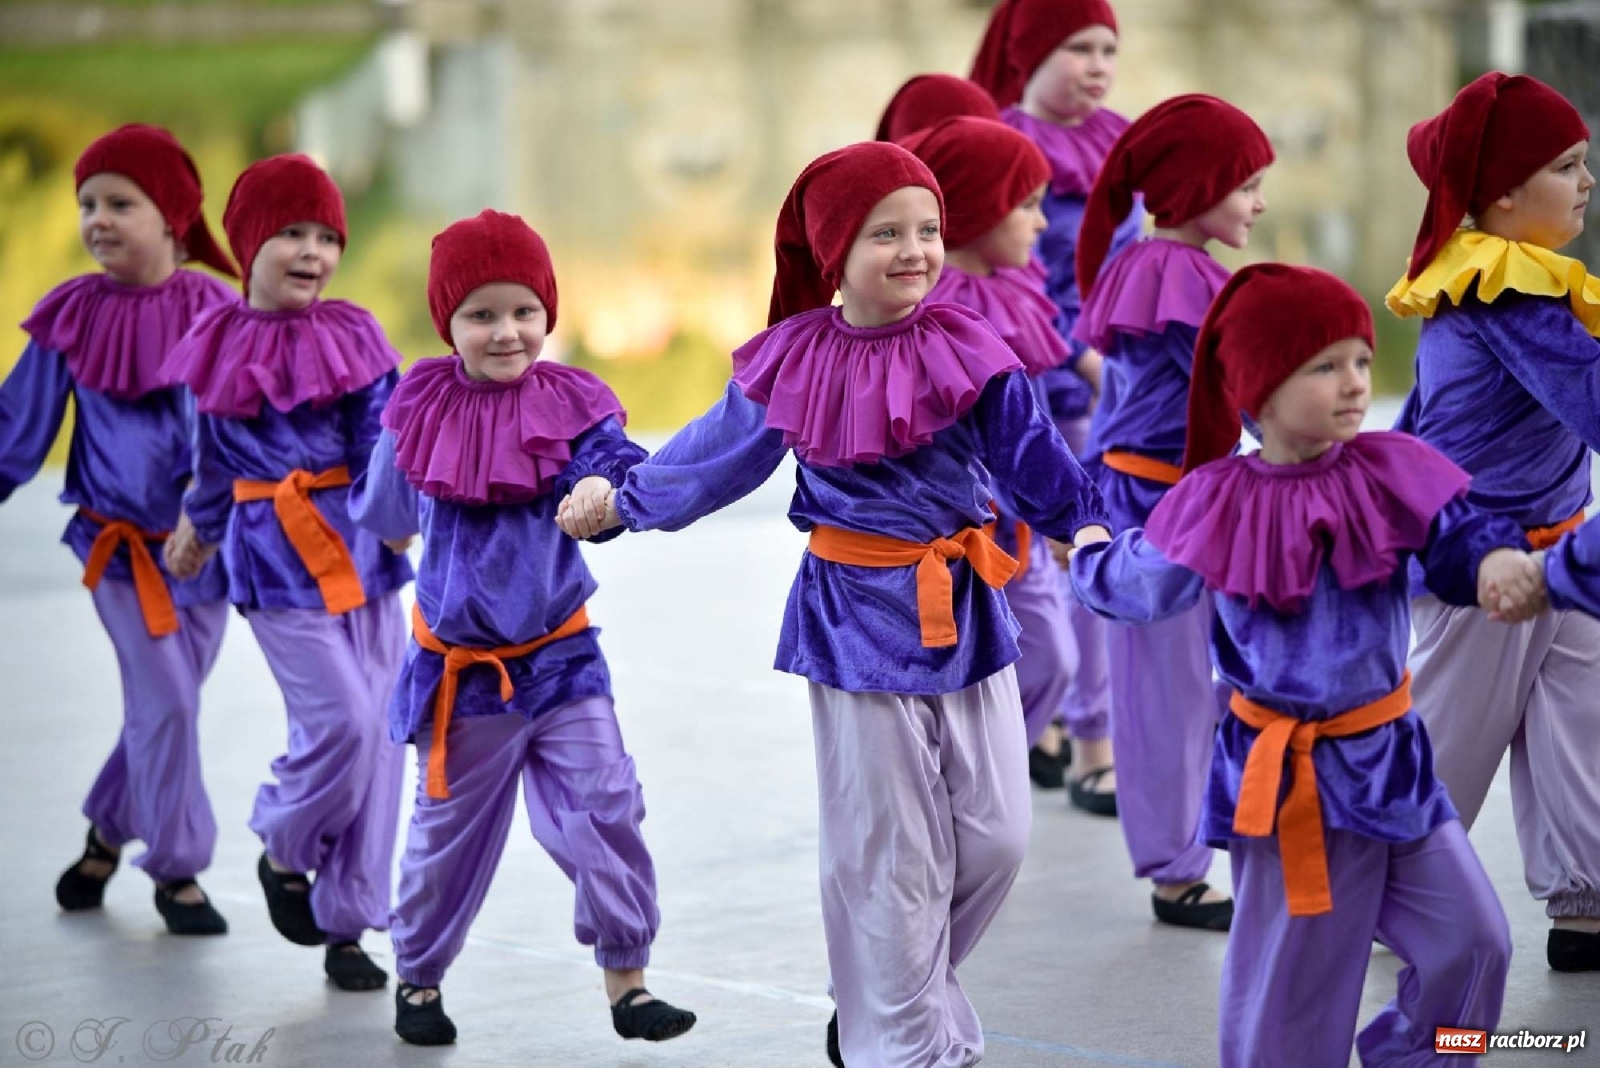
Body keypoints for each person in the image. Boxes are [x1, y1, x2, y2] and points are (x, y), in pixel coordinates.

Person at [558, 141, 1110, 1068]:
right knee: (889, 859)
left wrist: (1080, 525)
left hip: (966, 612)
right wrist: (624, 503)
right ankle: (902, 1046)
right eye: (885, 232)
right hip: (854, 624)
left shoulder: (971, 343)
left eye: (929, 230)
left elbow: (1034, 454)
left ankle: (878, 1000)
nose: (915, 250)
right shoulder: (795, 357)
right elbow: (712, 456)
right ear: (833, 252)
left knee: (998, 838)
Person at [1071, 263, 1528, 1066]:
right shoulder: (1215, 499)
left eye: (1360, 359)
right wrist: (1088, 550)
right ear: (1260, 387)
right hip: (1288, 789)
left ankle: (1420, 1055)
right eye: (1325, 365)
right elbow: (1136, 585)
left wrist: (1493, 562)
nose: (1356, 383)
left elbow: (1460, 536)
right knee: (1292, 1000)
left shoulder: (1392, 469)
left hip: (1394, 766)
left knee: (1474, 941)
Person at [349, 209, 697, 1047]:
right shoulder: (420, 404)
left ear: (547, 312)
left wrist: (603, 500)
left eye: (524, 312)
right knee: (445, 840)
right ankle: (420, 978)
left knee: (606, 802)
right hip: (464, 675)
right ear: (449, 324)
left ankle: (629, 981)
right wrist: (396, 526)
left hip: (563, 657)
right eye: (481, 315)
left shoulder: (571, 401)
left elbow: (608, 465)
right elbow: (389, 510)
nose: (507, 332)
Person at [162, 154, 413, 990]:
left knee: (381, 736)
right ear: (246, 245)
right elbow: (210, 459)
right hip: (273, 564)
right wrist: (198, 530)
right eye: (290, 234)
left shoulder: (356, 331)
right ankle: (285, 842)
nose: (311, 252)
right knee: (340, 721)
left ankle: (348, 926)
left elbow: (387, 438)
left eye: (326, 236)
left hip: (367, 557)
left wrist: (400, 517)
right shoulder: (216, 343)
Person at [1387, 70, 1600, 972]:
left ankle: (1584, 906)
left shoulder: (1524, 281)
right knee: (1448, 737)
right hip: (1482, 564)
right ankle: (1388, 886)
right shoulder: (1501, 289)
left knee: (1581, 732)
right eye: (1567, 165)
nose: (1587, 182)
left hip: (1558, 544)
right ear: (1501, 197)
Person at [3, 124, 238, 935]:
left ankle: (106, 832)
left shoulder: (220, 311)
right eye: (86, 204)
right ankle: (178, 873)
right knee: (168, 699)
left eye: (119, 203)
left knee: (161, 708)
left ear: (173, 217)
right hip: (117, 553)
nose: (97, 218)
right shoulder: (70, 316)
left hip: (209, 554)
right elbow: (16, 429)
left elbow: (249, 430)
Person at [1071, 94, 1275, 929]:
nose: (1261, 203)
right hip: (1159, 506)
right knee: (1167, 696)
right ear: (1198, 186)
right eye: (1249, 185)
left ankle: (1209, 848)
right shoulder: (1179, 277)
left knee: (1206, 686)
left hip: (1174, 496)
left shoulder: (1148, 264)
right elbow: (1248, 385)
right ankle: (1176, 870)